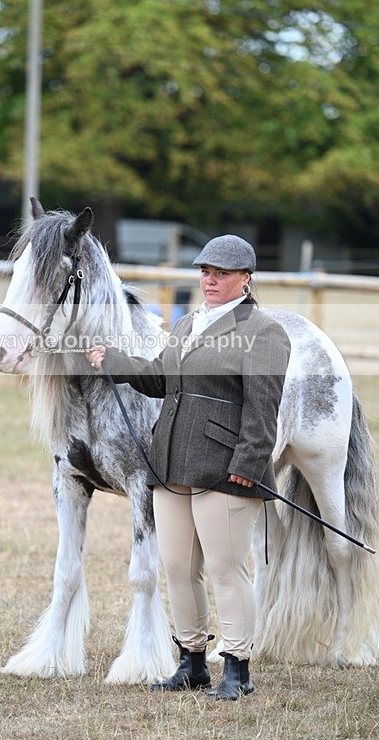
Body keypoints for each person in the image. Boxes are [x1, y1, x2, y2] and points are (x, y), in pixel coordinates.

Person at [86, 234, 291, 700]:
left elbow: (264, 407)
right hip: (171, 460)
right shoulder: (186, 324)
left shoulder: (264, 331)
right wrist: (112, 360)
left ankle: (237, 669)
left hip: (226, 467)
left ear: (246, 278)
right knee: (178, 567)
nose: (210, 280)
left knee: (226, 568)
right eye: (205, 272)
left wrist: (249, 462)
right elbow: (160, 378)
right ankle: (192, 663)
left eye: (222, 274)